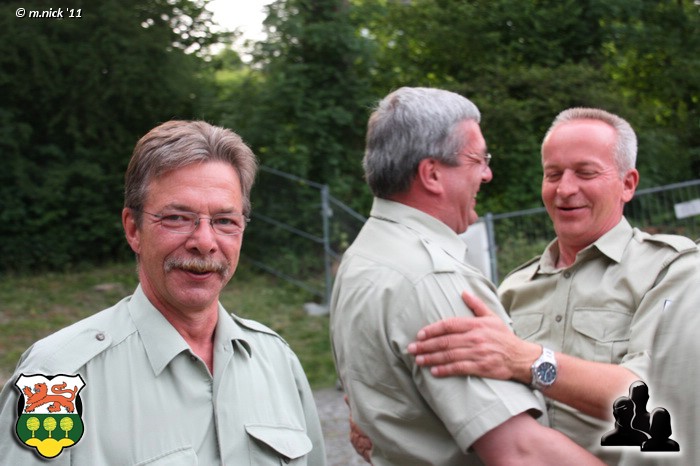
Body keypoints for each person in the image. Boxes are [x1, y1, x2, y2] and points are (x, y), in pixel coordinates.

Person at [0, 120, 326, 465]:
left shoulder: (277, 361)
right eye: (177, 217)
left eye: (224, 221)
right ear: (133, 229)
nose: (204, 242)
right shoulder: (56, 379)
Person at [407, 107, 699, 464]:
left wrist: (527, 361)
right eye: (553, 174)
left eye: (585, 172)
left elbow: (656, 396)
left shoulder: (672, 271)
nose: (565, 189)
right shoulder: (513, 289)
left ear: (628, 184)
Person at [330, 87, 604, 465]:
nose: (487, 174)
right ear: (432, 174)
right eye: (478, 159)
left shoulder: (363, 257)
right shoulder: (432, 277)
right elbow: (521, 453)